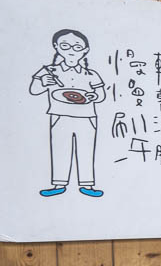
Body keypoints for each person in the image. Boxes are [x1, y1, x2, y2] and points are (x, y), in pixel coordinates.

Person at [29, 29, 106, 197]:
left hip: (87, 117)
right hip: (59, 115)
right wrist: (42, 83)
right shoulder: (49, 71)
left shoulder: (91, 74)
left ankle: (87, 184)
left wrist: (94, 95)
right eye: (65, 45)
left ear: (85, 50)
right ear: (56, 47)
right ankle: (58, 184)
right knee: (59, 148)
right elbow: (34, 90)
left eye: (77, 47)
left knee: (86, 149)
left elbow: (101, 95)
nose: (71, 50)